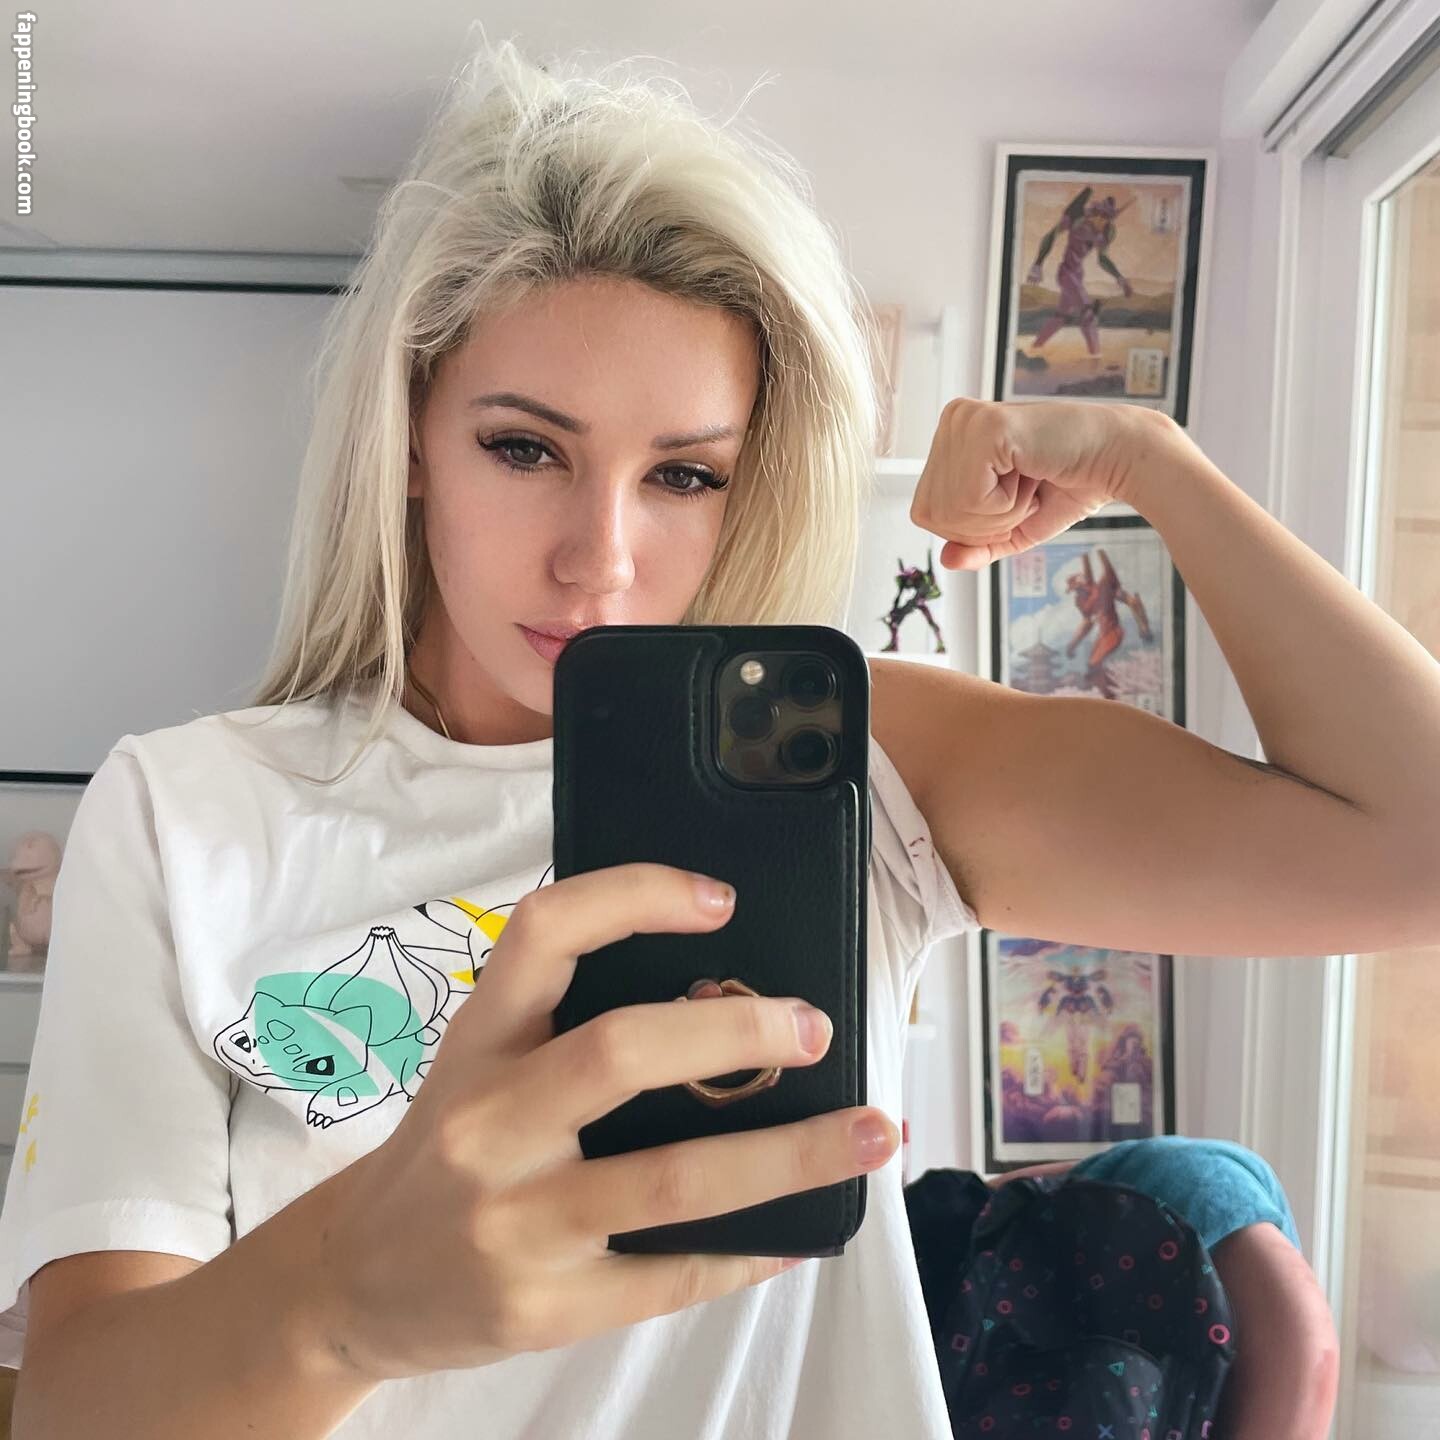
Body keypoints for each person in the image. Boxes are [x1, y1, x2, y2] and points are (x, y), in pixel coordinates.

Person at [3, 30, 1433, 1440]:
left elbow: (1411, 848)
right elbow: (70, 1411)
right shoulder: (187, 811)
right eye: (524, 447)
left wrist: (1144, 458)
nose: (600, 559)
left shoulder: (863, 763)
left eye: (683, 475)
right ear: (414, 442)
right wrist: (341, 1306)